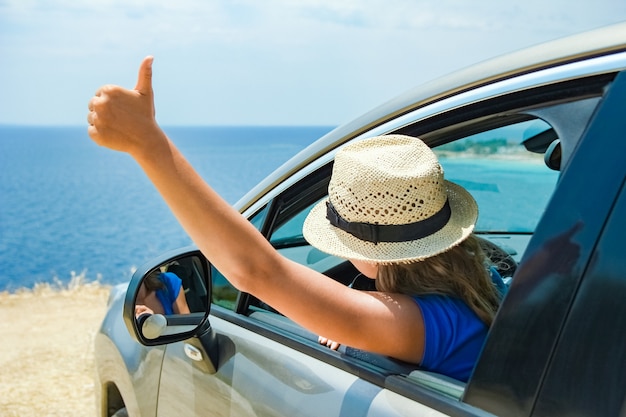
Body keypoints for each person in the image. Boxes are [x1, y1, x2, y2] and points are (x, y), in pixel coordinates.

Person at [87, 56, 501, 382]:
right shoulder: (486, 282)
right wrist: (351, 321)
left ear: (367, 253)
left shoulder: (425, 325)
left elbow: (257, 271)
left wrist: (148, 144)